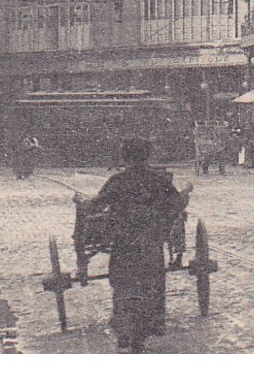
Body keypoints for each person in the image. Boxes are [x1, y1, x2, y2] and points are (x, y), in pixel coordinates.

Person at [88, 138, 185, 352]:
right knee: (152, 285)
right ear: (147, 156)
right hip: (150, 243)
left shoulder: (117, 180)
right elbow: (176, 204)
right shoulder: (159, 180)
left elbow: (97, 204)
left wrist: (84, 203)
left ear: (124, 157)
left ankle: (123, 333)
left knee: (122, 285)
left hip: (124, 244)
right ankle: (146, 330)